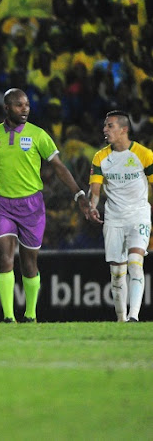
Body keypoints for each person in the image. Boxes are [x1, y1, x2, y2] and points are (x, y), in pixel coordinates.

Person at [0, 88, 91, 323]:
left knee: (29, 262)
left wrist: (79, 194)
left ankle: (31, 314)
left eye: (26, 105)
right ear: (7, 107)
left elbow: (58, 166)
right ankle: (8, 317)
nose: (25, 109)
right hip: (2, 204)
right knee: (4, 257)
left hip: (32, 205)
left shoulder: (38, 135)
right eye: (19, 105)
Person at [87, 111, 153, 322]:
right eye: (105, 126)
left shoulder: (144, 155)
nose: (105, 130)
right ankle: (121, 319)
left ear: (124, 129)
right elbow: (95, 189)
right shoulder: (101, 157)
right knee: (117, 274)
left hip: (139, 215)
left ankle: (133, 316)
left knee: (135, 262)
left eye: (110, 126)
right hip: (114, 218)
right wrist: (93, 206)